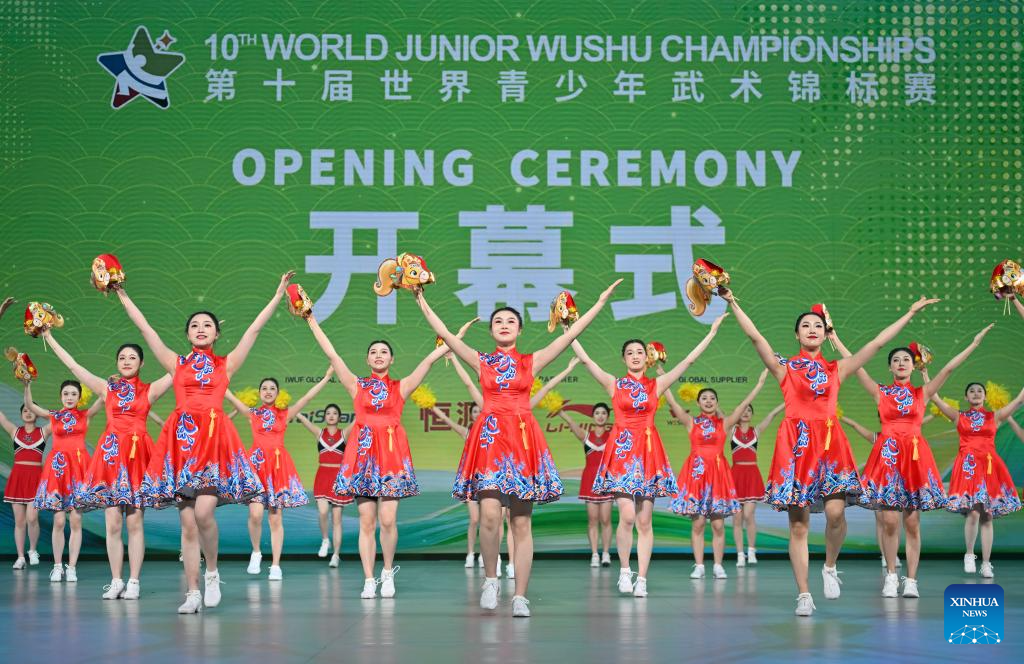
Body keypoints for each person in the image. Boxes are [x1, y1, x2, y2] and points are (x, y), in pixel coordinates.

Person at [723, 288, 939, 616]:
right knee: (798, 525)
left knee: (836, 513)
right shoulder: (785, 368)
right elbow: (755, 337)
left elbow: (875, 344)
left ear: (826, 334)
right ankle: (804, 594)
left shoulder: (838, 368)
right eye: (806, 325)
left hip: (829, 444)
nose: (812, 329)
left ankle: (829, 566)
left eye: (818, 326)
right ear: (797, 334)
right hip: (796, 446)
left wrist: (909, 313)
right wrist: (732, 302)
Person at [415, 280, 620, 617]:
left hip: (522, 440)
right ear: (491, 330)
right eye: (498, 321)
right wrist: (420, 298)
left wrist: (599, 302)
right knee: (489, 515)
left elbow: (571, 334)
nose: (504, 325)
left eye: (511, 321)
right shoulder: (480, 360)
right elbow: (445, 334)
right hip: (491, 439)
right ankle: (491, 580)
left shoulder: (531, 361)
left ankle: (521, 596)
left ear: (520, 330)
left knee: (521, 522)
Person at [116, 272, 293, 613]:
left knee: (203, 513)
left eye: (207, 325)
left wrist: (276, 295)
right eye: (195, 325)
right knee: (187, 525)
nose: (201, 328)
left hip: (213, 442)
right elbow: (146, 330)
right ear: (187, 334)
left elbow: (254, 331)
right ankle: (193, 592)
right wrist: (122, 294)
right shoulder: (176, 363)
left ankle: (212, 572)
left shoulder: (226, 364)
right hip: (181, 443)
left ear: (216, 334)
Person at [303, 314, 476, 599]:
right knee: (366, 520)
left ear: (392, 359)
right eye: (373, 352)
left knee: (387, 520)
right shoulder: (356, 384)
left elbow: (429, 361)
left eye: (384, 352)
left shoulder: (401, 386)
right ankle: (369, 579)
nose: (378, 355)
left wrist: (455, 337)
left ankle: (386, 571)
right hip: (362, 459)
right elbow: (332, 353)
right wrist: (310, 320)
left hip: (391, 459)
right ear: (367, 359)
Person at [569, 315, 726, 597]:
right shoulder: (614, 384)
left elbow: (688, 361)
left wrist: (712, 333)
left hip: (648, 453)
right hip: (621, 453)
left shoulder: (657, 385)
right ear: (623, 359)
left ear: (647, 357)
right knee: (627, 516)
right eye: (629, 352)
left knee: (644, 521)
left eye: (639, 352)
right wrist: (569, 329)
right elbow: (587, 360)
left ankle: (641, 578)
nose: (635, 356)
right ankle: (624, 570)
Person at [45, 331, 173, 599]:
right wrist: (48, 335)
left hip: (136, 457)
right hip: (110, 458)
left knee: (135, 524)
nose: (126, 361)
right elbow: (74, 366)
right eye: (122, 357)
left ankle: (134, 581)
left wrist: (202, 348)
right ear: (117, 362)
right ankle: (116, 581)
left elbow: (177, 369)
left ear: (141, 363)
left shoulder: (149, 390)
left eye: (132, 357)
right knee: (113, 524)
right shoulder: (107, 389)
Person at [224, 368, 333, 581]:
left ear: (277, 393)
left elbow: (308, 397)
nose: (268, 391)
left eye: (272, 388)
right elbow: (228, 395)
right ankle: (256, 552)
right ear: (259, 393)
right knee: (255, 514)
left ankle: (275, 565)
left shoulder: (285, 414)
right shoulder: (252, 413)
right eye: (264, 388)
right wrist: (218, 377)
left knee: (275, 518)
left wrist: (327, 377)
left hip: (277, 467)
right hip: (256, 466)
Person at [670, 370, 769, 581]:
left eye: (712, 398)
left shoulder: (724, 423)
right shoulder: (691, 422)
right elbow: (672, 402)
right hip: (697, 475)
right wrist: (663, 378)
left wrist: (760, 384)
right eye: (704, 398)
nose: (708, 401)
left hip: (717, 475)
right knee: (698, 524)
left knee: (718, 524)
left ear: (717, 403)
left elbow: (744, 404)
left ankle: (717, 565)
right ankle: (699, 566)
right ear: (698, 403)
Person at [930, 381, 1024, 579]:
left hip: (989, 467)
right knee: (973, 513)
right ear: (966, 397)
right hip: (968, 468)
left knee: (987, 516)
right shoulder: (959, 416)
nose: (976, 393)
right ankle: (969, 554)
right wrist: (925, 375)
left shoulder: (995, 416)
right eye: (971, 391)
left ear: (985, 396)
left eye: (980, 391)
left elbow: (1018, 401)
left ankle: (987, 564)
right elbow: (935, 398)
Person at [26, 379, 103, 582]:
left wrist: (112, 384)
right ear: (61, 396)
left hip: (78, 468)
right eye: (66, 394)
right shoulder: (54, 416)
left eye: (73, 394)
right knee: (59, 521)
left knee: (76, 520)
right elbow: (30, 405)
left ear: (79, 397)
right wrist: (27, 385)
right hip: (57, 469)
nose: (69, 397)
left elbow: (104, 397)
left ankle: (72, 567)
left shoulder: (86, 415)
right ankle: (58, 566)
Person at [557, 402, 613, 568]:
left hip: (606, 480)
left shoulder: (614, 436)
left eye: (603, 413)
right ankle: (594, 554)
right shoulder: (585, 436)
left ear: (608, 416)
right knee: (593, 520)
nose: (600, 416)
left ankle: (606, 554)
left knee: (606, 519)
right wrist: (560, 412)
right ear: (592, 416)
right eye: (597, 413)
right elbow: (571, 423)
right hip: (590, 480)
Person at [295, 407, 352, 568]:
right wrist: (290, 408)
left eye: (335, 413)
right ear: (324, 417)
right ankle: (325, 540)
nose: (331, 416)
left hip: (339, 479)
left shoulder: (344, 434)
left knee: (337, 519)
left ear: (340, 417)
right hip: (322, 477)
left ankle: (336, 555)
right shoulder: (319, 433)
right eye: (328, 413)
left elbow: (359, 420)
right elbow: (302, 419)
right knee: (323, 512)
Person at [1, 403, 48, 569]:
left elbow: (56, 420)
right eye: (25, 411)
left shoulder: (43, 432)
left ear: (38, 414)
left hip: (36, 479)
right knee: (19, 521)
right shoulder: (15, 431)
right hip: (18, 479)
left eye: (32, 411)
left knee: (32, 518)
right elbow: (2, 418)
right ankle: (20, 557)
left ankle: (32, 550)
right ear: (21, 414)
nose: (28, 413)